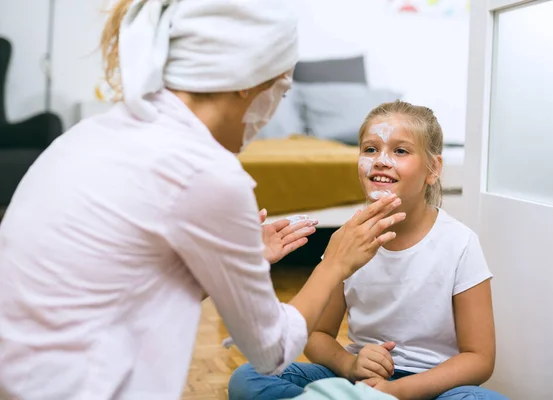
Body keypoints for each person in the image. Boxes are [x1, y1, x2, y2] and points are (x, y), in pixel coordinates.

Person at [0, 1, 407, 399]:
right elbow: (271, 352)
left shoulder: (86, 137)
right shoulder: (206, 171)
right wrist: (335, 261)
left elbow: (123, 290)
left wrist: (237, 260)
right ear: (248, 81)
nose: (271, 113)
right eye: (281, 91)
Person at [228, 101, 509, 400]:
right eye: (370, 149)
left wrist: (395, 391)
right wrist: (350, 365)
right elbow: (316, 334)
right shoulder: (346, 241)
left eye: (400, 151)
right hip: (361, 383)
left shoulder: (460, 242)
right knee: (249, 378)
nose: (381, 160)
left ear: (433, 168)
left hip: (432, 387)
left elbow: (479, 358)